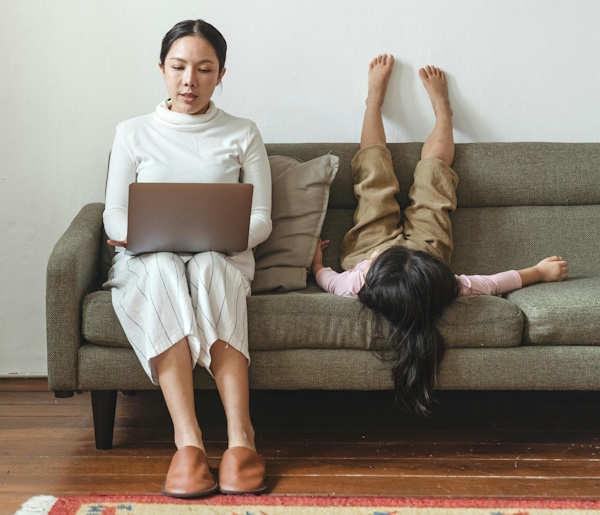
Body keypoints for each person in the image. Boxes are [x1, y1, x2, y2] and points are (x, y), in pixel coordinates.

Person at [312, 54, 568, 416]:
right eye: (372, 266)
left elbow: (328, 281)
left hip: (370, 249)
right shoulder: (443, 283)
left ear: (366, 280)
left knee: (373, 178)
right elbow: (494, 283)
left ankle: (373, 103)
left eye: (370, 269)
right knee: (434, 178)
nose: (373, 264)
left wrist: (317, 262)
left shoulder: (357, 280)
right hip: (425, 254)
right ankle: (444, 113)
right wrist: (538, 272)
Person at [103, 20, 271, 497]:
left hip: (223, 255)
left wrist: (222, 237)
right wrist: (137, 235)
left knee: (211, 267)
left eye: (204, 69)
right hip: (147, 257)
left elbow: (261, 218)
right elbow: (114, 213)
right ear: (161, 69)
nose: (189, 81)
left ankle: (242, 439)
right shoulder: (132, 132)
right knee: (160, 268)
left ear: (221, 74)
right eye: (178, 67)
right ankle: (188, 443)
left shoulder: (243, 133)